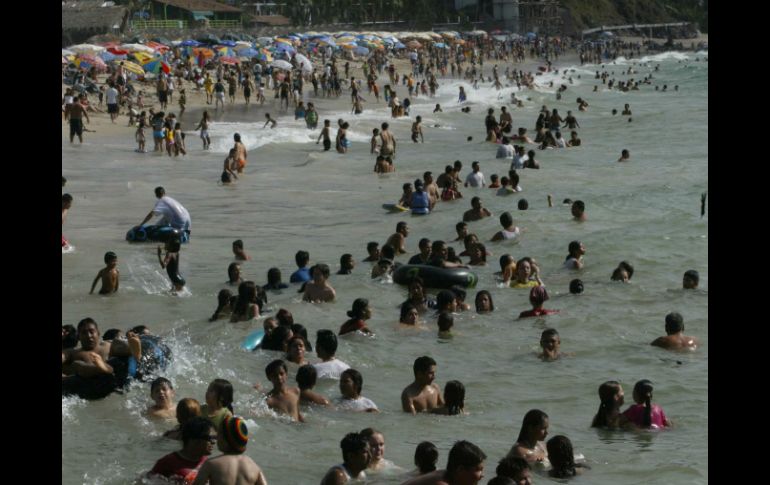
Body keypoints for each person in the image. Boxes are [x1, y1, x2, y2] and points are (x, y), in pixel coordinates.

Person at [191, 415, 268, 485]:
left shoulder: (211, 464)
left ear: (224, 439)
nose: (216, 438)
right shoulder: (254, 466)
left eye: (219, 434)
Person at [149, 417, 215, 483]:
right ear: (193, 440)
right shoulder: (167, 463)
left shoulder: (208, 463)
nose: (213, 442)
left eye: (214, 438)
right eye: (209, 438)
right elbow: (148, 480)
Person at [401, 440, 487, 485]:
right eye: (478, 469)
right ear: (460, 470)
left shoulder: (447, 475)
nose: (482, 475)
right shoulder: (441, 482)